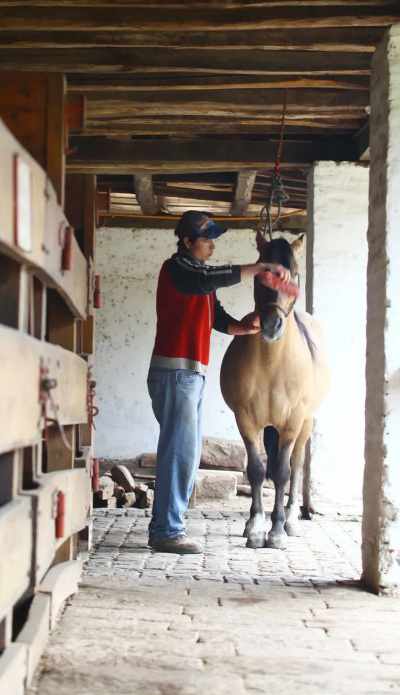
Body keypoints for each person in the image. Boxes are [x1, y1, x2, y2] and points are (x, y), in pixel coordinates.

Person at [147, 210, 292, 554]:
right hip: (176, 373)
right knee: (179, 453)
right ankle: (166, 530)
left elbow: (216, 314)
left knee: (185, 452)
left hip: (189, 374)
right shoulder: (178, 269)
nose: (212, 245)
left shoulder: (198, 276)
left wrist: (242, 328)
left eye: (214, 239)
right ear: (186, 243)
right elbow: (205, 281)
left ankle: (167, 526)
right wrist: (257, 269)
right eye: (206, 239)